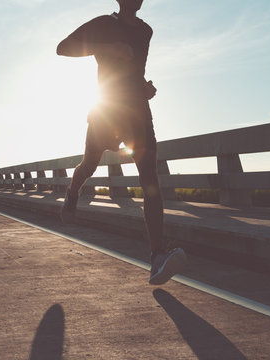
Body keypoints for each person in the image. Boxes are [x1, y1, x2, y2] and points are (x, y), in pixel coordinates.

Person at [56, 0, 185, 285]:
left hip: (137, 111)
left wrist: (145, 87)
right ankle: (73, 192)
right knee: (90, 162)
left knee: (150, 177)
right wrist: (105, 48)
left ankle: (157, 256)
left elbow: (134, 73)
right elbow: (62, 48)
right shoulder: (103, 24)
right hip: (106, 109)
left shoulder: (146, 31)